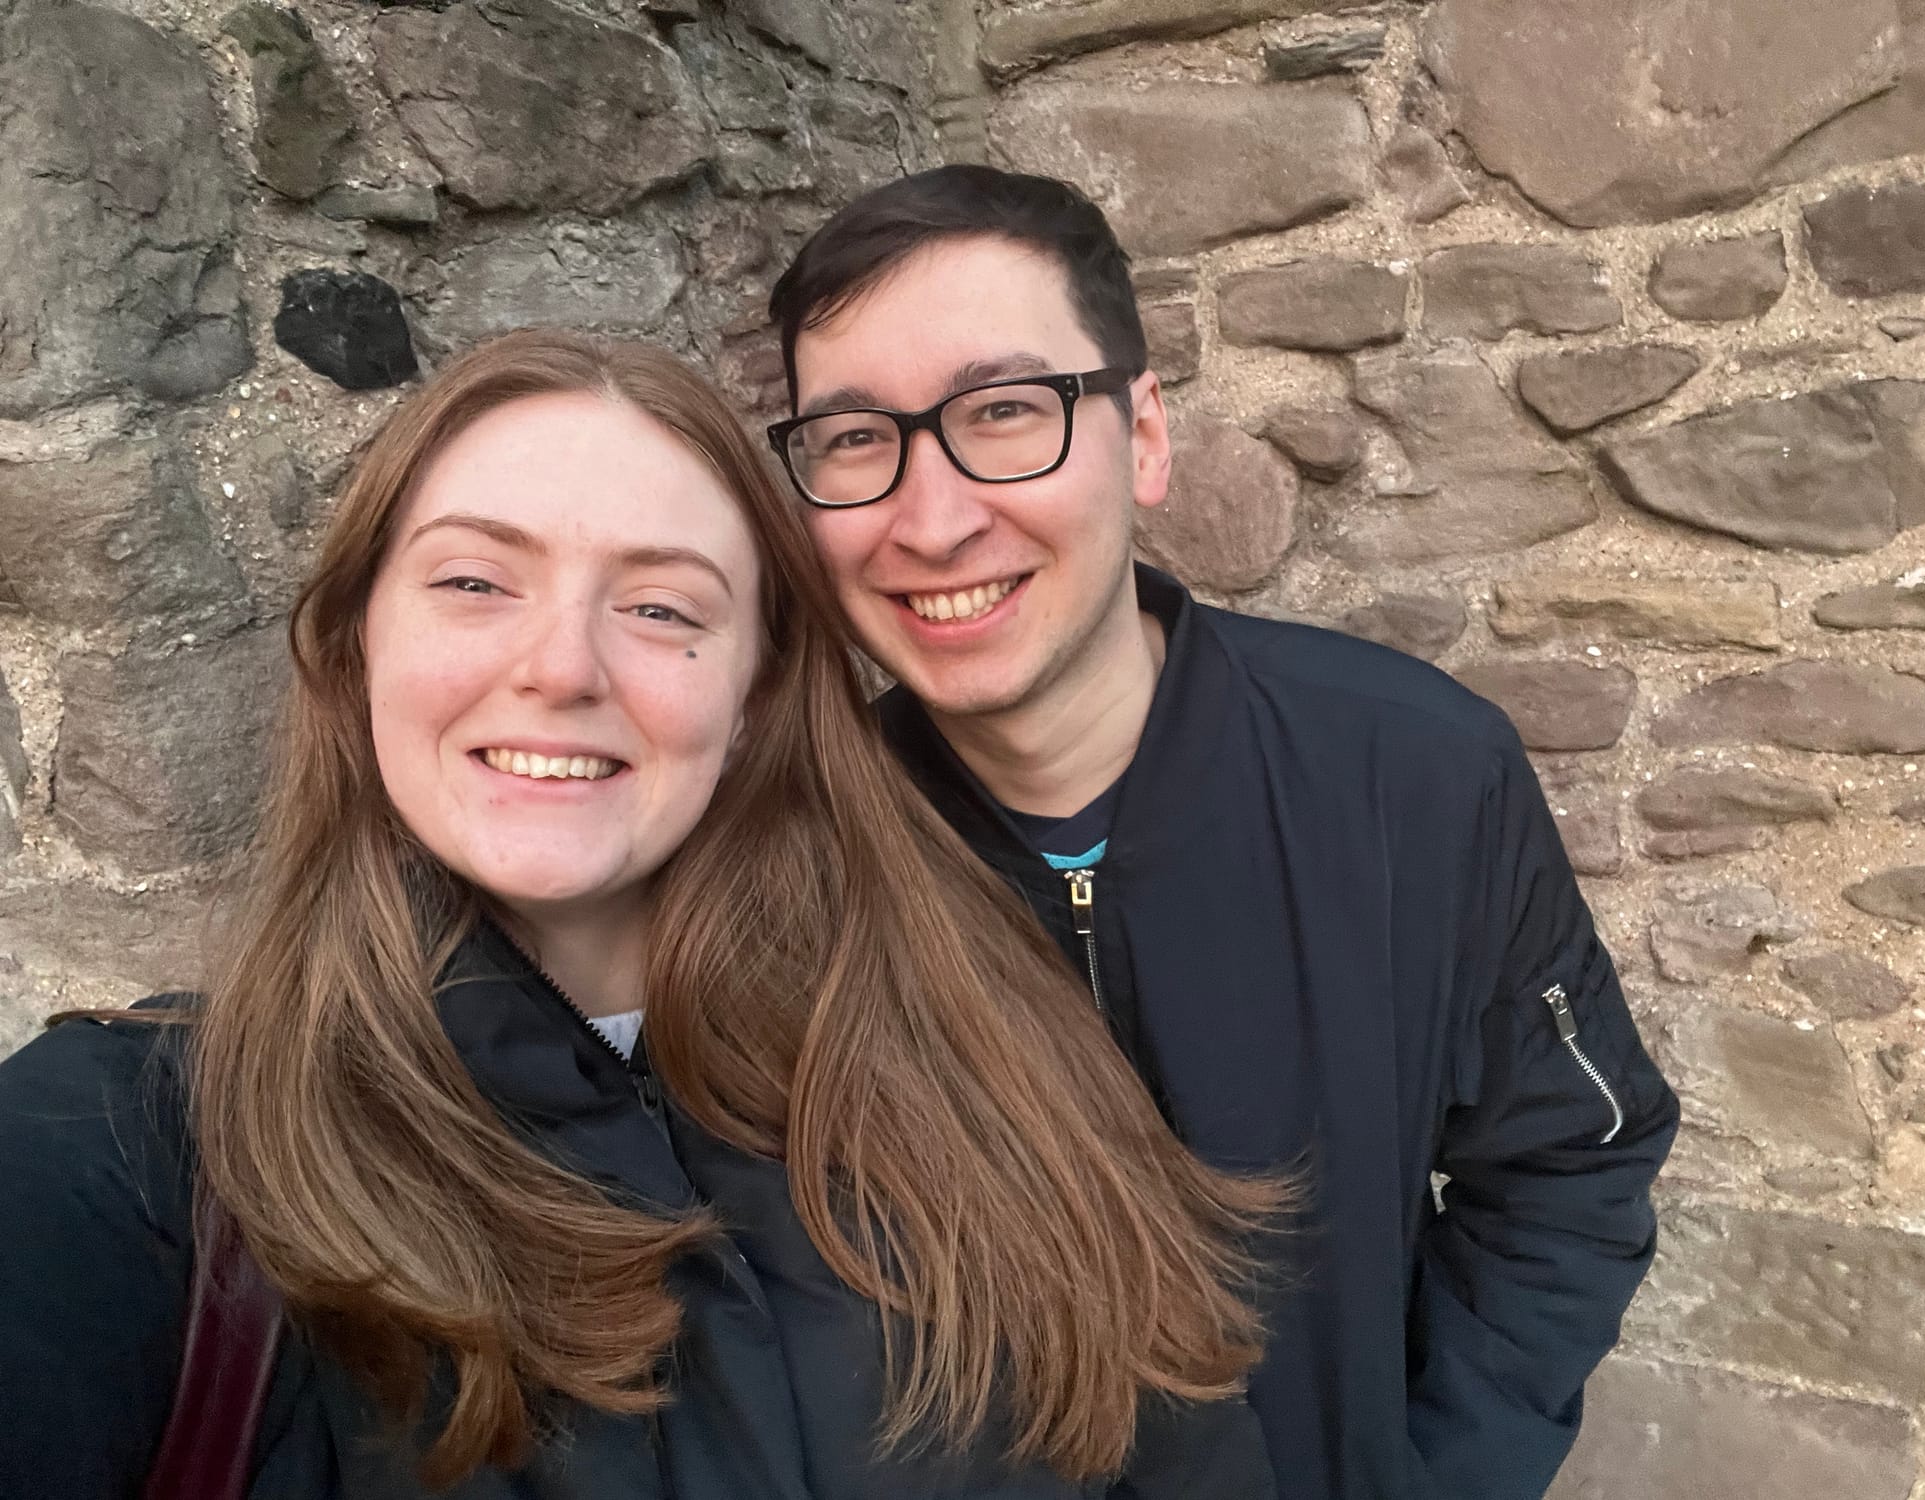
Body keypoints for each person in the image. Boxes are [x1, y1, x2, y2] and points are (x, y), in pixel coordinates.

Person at [0, 329, 1289, 1499]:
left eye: (663, 607)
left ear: (754, 698)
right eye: (473, 583)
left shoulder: (994, 1043)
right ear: (356, 644)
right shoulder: (138, 1152)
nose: (561, 666)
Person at [766, 166, 1680, 1500]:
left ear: (1141, 435)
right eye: (855, 439)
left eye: (1005, 412)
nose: (933, 515)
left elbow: (1567, 1163)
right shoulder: (785, 872)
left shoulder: (1416, 777)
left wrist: (1441, 1472)